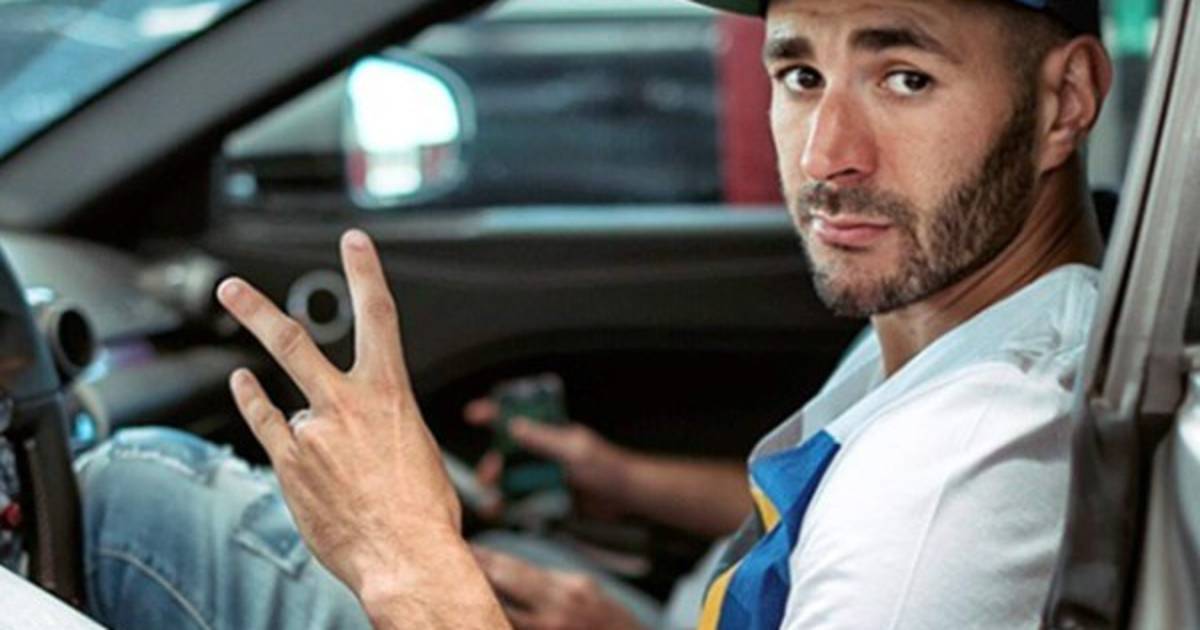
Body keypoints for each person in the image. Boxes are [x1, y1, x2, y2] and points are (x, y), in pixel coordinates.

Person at [73, 0, 1114, 628]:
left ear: (1065, 100)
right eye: (801, 73)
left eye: (905, 77)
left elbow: (886, 533)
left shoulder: (952, 480)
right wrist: (617, 485)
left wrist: (409, 568)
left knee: (134, 506)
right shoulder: (959, 331)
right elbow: (820, 530)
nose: (824, 154)